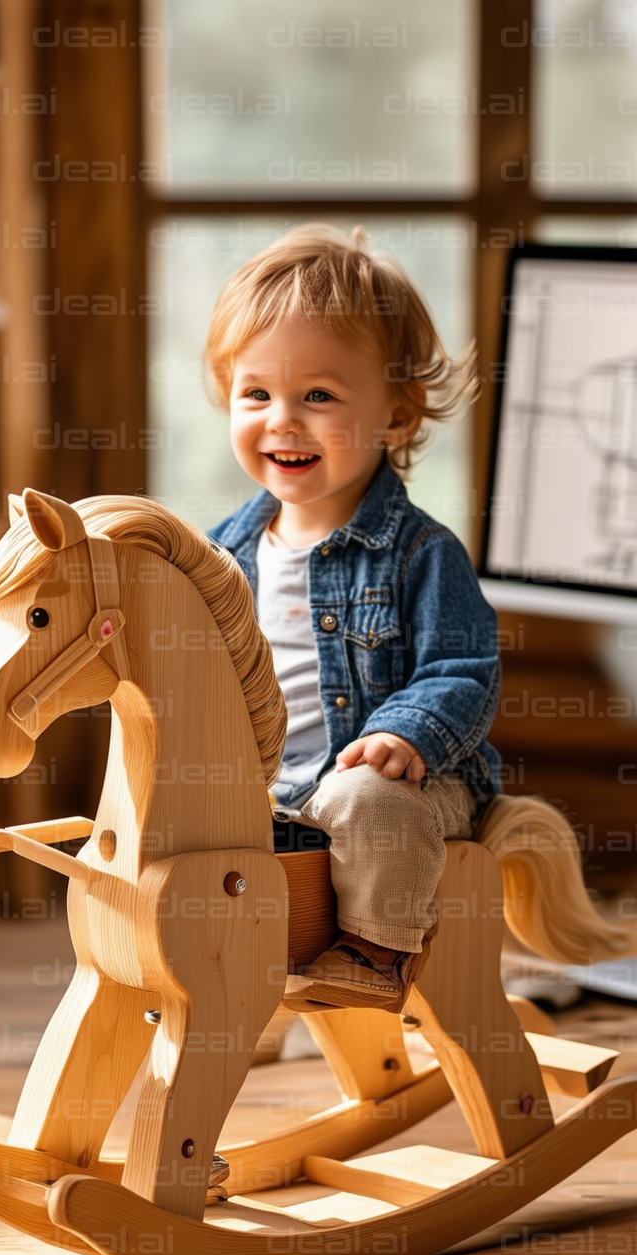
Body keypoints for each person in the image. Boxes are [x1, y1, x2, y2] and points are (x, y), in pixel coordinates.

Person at [205, 223, 502, 1011]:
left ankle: (375, 952)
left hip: (400, 786)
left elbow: (463, 668)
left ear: (397, 419)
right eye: (256, 393)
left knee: (366, 799)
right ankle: (201, 968)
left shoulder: (419, 553)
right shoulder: (217, 557)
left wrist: (406, 733)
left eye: (320, 397)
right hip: (272, 789)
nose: (282, 421)